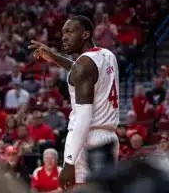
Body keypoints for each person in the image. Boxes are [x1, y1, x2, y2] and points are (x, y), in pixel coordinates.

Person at [28, 15, 120, 190]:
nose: (64, 37)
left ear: (85, 34)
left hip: (88, 138)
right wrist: (55, 57)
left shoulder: (83, 67)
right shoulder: (107, 55)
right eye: (63, 32)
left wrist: (69, 162)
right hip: (109, 138)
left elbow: (83, 119)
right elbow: (81, 70)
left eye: (70, 31)